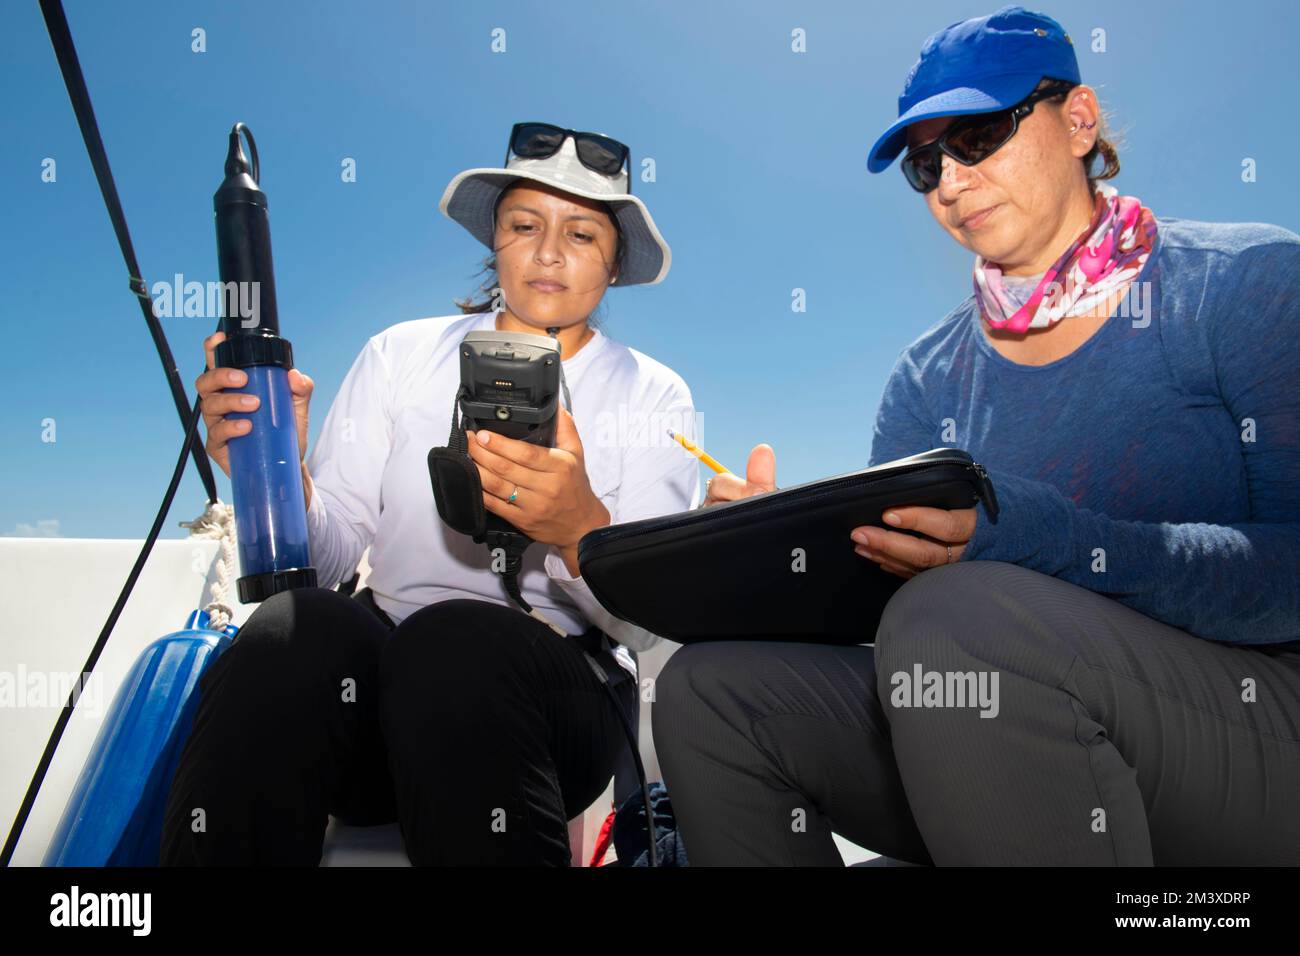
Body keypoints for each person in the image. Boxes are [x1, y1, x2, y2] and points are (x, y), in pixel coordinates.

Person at [653, 5, 1300, 865]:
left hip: (1257, 729)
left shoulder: (1249, 283)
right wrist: (784, 560)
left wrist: (1036, 540)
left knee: (963, 615)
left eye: (980, 135)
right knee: (711, 689)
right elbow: (893, 618)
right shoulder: (925, 379)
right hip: (998, 723)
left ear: (1078, 121)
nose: (951, 181)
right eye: (926, 164)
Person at [161, 123, 702, 866]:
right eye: (523, 226)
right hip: (377, 713)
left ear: (613, 267)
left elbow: (651, 624)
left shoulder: (656, 393)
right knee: (293, 628)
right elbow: (325, 557)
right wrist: (280, 467)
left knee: (454, 642)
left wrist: (580, 530)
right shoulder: (398, 354)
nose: (548, 252)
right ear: (495, 242)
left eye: (580, 234)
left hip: (550, 712)